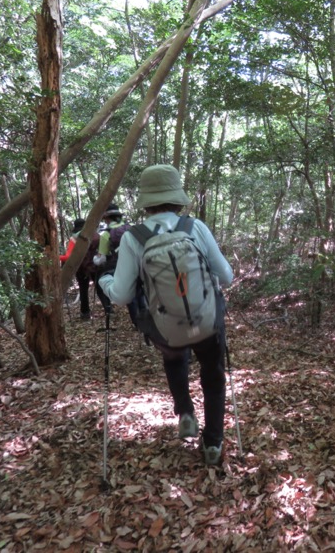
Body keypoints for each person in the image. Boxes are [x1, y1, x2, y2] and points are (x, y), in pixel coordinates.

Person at [97, 165, 233, 465]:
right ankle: (213, 444)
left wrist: (104, 280)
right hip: (208, 323)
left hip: (166, 326)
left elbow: (121, 295)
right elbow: (227, 276)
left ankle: (185, 412)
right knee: (213, 376)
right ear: (176, 196)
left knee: (174, 357)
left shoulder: (134, 237)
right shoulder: (194, 227)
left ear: (147, 200)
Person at [60, 218, 99, 320]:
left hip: (82, 268)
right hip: (96, 265)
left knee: (83, 289)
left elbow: (68, 257)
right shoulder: (95, 235)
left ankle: (85, 313)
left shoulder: (74, 239)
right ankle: (108, 309)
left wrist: (55, 257)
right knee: (100, 286)